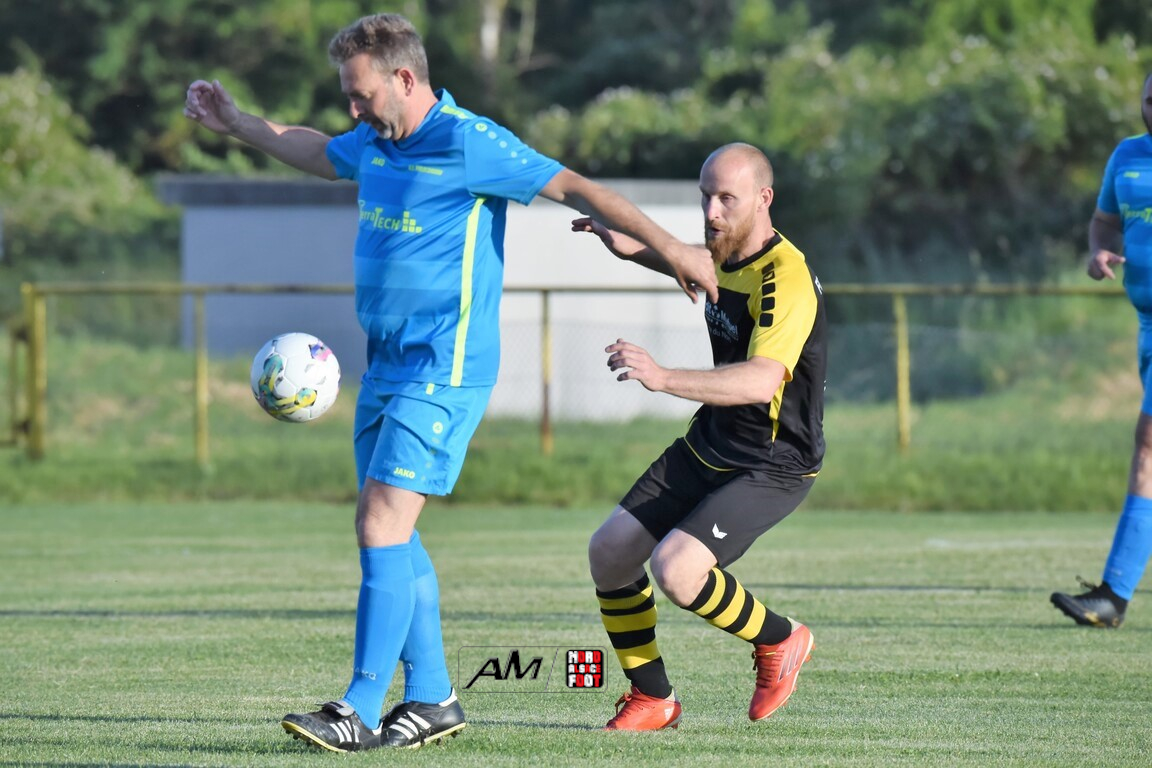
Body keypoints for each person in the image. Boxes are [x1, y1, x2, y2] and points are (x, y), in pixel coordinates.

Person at [184, 13, 717, 753]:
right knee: (394, 534)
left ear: (405, 79)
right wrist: (239, 123)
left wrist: (676, 250)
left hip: (444, 369)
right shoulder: (374, 141)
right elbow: (318, 150)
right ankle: (433, 697)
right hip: (384, 368)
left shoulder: (470, 142)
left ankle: (358, 706)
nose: (353, 109)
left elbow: (576, 186)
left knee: (380, 522)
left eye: (362, 94)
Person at [573, 142, 825, 729]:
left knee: (678, 570)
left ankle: (780, 639)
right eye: (706, 196)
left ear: (764, 199)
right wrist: (629, 245)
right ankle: (654, 698)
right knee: (609, 553)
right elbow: (693, 263)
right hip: (713, 442)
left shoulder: (785, 278)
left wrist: (661, 377)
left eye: (726, 199)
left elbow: (761, 381)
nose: (712, 211)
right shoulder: (726, 251)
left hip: (773, 460)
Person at [1051, 72, 1152, 629]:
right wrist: (1099, 252)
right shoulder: (1127, 156)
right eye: (1150, 99)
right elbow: (1104, 222)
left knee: (1148, 447)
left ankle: (1114, 595)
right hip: (1146, 325)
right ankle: (1114, 595)